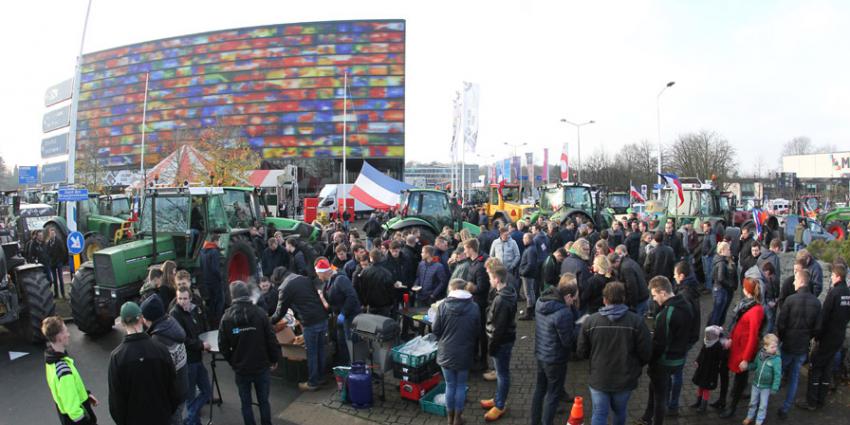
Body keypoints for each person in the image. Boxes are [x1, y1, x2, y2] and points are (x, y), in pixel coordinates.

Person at [576, 282, 652, 425]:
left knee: (599, 414)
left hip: (599, 378)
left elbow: (581, 351)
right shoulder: (637, 322)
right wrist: (635, 366)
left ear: (604, 299)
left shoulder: (590, 321)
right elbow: (646, 353)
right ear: (623, 298)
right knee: (620, 412)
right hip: (625, 379)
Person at [218, 281, 280, 425]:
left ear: (232, 296)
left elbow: (223, 345)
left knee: (245, 404)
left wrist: (233, 361)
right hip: (261, 366)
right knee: (263, 401)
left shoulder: (226, 318)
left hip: (241, 369)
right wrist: (274, 359)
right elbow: (271, 339)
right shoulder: (260, 314)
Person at [109, 301, 180, 425]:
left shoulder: (117, 357)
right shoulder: (160, 349)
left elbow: (116, 400)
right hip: (162, 418)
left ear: (122, 323)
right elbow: (173, 388)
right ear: (142, 319)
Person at [636, 276, 693, 425]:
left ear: (662, 292)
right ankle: (647, 416)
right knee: (655, 389)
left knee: (660, 398)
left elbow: (659, 345)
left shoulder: (665, 315)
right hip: (679, 358)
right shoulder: (686, 304)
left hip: (664, 362)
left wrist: (648, 359)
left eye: (654, 295)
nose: (654, 299)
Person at [530, 273, 579, 425]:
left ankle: (535, 421)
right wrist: (578, 327)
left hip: (541, 353)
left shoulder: (540, 302)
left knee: (539, 390)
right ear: (568, 296)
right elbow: (568, 341)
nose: (574, 301)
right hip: (556, 359)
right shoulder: (563, 313)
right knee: (553, 394)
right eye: (574, 298)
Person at [432, 278, 481, 425]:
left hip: (446, 351)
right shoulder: (474, 307)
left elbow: (435, 330)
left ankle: (449, 418)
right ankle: (458, 418)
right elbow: (477, 330)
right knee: (460, 386)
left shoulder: (442, 306)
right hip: (465, 352)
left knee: (450, 385)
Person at [802, 262, 850, 409]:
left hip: (827, 337)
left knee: (816, 367)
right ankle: (821, 400)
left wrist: (817, 335)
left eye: (832, 276)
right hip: (839, 336)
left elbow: (824, 316)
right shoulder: (848, 293)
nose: (831, 278)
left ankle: (811, 401)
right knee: (827, 369)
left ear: (837, 276)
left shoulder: (834, 293)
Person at [271, 272, 329, 392]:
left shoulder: (284, 287)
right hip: (322, 317)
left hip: (310, 322)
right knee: (321, 349)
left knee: (312, 353)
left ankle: (313, 382)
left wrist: (269, 321)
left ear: (278, 281)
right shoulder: (303, 278)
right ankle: (322, 377)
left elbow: (280, 311)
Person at [776, 268, 821, 419]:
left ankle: (763, 401)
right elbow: (817, 328)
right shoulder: (816, 303)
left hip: (788, 344)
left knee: (776, 371)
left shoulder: (790, 300)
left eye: (795, 279)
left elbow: (781, 324)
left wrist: (782, 339)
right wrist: (808, 337)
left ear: (801, 281)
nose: (793, 282)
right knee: (795, 377)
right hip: (802, 347)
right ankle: (785, 408)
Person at [719, 277, 766, 419]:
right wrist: (731, 338)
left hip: (743, 350)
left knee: (739, 380)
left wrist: (746, 358)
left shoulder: (756, 310)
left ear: (747, 290)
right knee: (732, 375)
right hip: (736, 346)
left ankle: (731, 407)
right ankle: (725, 401)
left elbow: (753, 336)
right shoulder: (746, 304)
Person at [42, 316, 99, 425]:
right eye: (66, 331)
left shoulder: (52, 361)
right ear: (59, 337)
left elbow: (69, 391)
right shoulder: (64, 372)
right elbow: (73, 410)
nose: (69, 334)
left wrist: (86, 395)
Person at [141, 295, 189, 425]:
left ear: (148, 319)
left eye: (144, 317)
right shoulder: (171, 325)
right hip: (182, 389)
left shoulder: (159, 340)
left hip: (173, 397)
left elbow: (160, 377)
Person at [479, 262, 517, 421]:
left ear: (496, 279)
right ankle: (497, 399)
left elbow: (499, 328)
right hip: (504, 339)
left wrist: (492, 347)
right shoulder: (508, 292)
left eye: (489, 278)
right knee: (502, 373)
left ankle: (500, 405)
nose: (488, 281)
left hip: (501, 342)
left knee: (502, 374)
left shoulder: (502, 300)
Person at [169, 286, 211, 425]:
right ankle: (192, 421)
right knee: (191, 397)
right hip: (187, 361)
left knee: (206, 391)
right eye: (179, 298)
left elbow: (199, 328)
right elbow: (183, 339)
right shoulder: (175, 314)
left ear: (190, 298)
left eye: (185, 298)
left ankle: (190, 420)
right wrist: (201, 345)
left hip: (197, 359)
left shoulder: (193, 310)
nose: (182, 301)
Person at [667, 260, 702, 415]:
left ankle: (672, 405)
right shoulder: (690, 288)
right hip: (689, 338)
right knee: (677, 373)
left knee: (676, 373)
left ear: (681, 276)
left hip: (683, 340)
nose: (673, 277)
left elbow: (683, 320)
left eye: (675, 274)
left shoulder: (684, 294)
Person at [463, 238, 492, 371]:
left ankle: (483, 361)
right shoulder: (474, 262)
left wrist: (471, 288)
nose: (464, 251)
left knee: (481, 333)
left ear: (471, 249)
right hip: (473, 303)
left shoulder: (479, 266)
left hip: (479, 305)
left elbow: (482, 287)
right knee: (475, 332)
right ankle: (474, 355)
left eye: (465, 249)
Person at [743, 334, 782, 425]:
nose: (775, 349)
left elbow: (777, 375)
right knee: (752, 402)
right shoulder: (760, 354)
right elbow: (755, 365)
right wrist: (747, 366)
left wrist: (775, 387)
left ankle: (759, 420)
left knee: (763, 405)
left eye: (776, 346)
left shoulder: (777, 360)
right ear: (765, 346)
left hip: (766, 387)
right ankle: (750, 416)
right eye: (772, 347)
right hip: (756, 384)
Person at [690, 326, 726, 413]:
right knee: (700, 386)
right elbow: (701, 352)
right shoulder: (706, 342)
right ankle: (698, 402)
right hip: (702, 368)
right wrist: (697, 361)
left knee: (706, 388)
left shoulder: (718, 345)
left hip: (711, 370)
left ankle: (703, 406)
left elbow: (721, 357)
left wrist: (725, 348)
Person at [357, 249, 397, 318]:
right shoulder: (386, 273)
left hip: (371, 304)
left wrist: (364, 303)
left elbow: (361, 289)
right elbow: (390, 290)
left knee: (371, 326)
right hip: (384, 305)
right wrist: (391, 303)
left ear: (371, 258)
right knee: (382, 326)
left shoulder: (364, 272)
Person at [615, 245, 649, 317]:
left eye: (619, 254)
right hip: (642, 296)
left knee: (637, 321)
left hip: (639, 300)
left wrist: (632, 305)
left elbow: (632, 287)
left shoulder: (626, 267)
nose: (617, 256)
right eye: (616, 254)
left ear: (625, 252)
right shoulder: (629, 262)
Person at [709, 241, 736, 327]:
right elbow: (720, 278)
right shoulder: (721, 262)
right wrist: (730, 285)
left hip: (718, 289)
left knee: (716, 312)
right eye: (728, 249)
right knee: (717, 314)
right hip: (720, 290)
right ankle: (712, 333)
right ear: (723, 250)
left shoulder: (719, 259)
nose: (729, 251)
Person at [199, 234, 224, 326]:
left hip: (206, 281)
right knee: (219, 301)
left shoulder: (202, 251)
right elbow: (215, 269)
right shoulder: (214, 251)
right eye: (219, 241)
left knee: (211, 302)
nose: (219, 243)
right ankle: (219, 321)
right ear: (215, 241)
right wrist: (220, 278)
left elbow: (201, 267)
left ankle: (211, 321)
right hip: (215, 281)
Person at [518, 232, 540, 320]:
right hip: (529, 274)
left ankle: (529, 313)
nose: (522, 240)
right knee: (530, 292)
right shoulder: (531, 248)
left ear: (529, 239)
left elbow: (530, 264)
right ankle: (532, 311)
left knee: (528, 293)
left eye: (524, 238)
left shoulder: (530, 249)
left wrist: (523, 272)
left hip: (527, 275)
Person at [46, 227, 68, 299]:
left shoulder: (59, 241)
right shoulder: (48, 243)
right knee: (55, 279)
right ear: (49, 234)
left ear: (55, 234)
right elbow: (47, 253)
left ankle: (63, 293)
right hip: (52, 263)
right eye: (51, 234)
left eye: (53, 233)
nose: (52, 235)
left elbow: (63, 251)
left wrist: (60, 260)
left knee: (61, 278)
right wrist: (49, 260)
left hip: (58, 262)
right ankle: (56, 294)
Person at [701, 222, 717, 292]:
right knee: (705, 272)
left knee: (709, 272)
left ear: (709, 227)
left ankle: (709, 288)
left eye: (705, 227)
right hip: (704, 256)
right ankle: (706, 285)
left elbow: (713, 245)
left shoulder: (712, 235)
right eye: (703, 227)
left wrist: (708, 254)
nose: (704, 228)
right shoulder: (706, 234)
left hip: (709, 257)